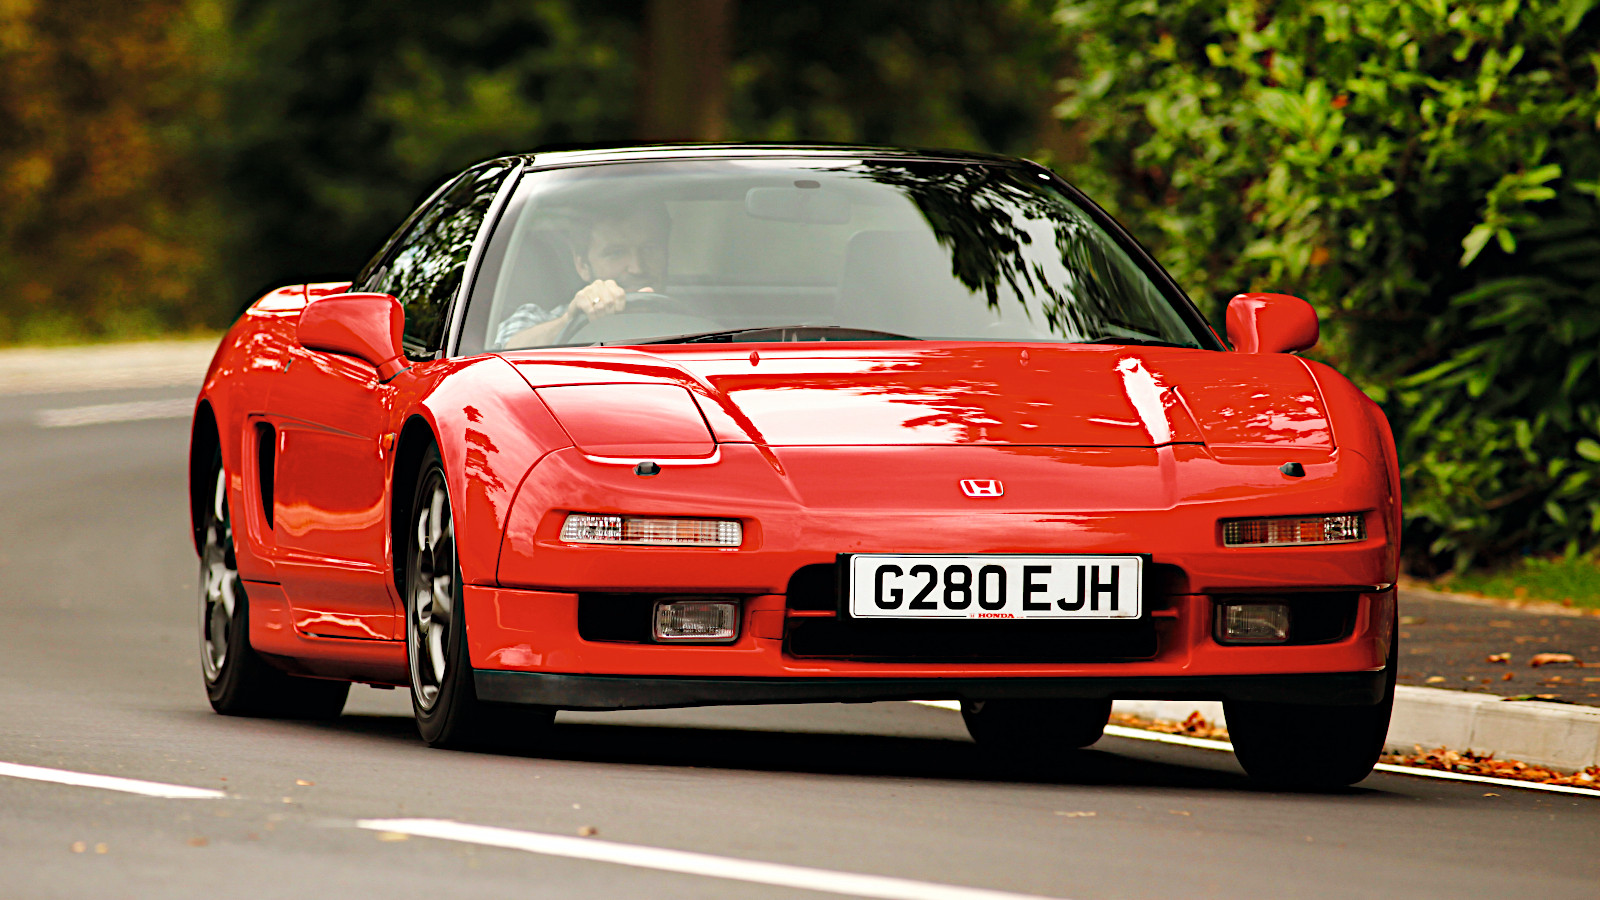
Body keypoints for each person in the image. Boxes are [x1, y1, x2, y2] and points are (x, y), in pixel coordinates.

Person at [494, 204, 670, 348]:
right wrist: (570, 321)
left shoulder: (688, 313)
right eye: (616, 253)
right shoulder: (539, 319)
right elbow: (504, 357)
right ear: (582, 265)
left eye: (650, 249)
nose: (637, 268)